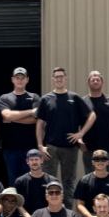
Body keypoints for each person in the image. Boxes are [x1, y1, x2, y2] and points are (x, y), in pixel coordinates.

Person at [35, 67, 95, 205]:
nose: (59, 79)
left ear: (66, 79)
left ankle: (67, 212)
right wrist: (40, 145)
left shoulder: (74, 97)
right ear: (52, 80)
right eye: (56, 77)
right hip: (50, 148)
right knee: (49, 181)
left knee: (68, 181)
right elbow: (39, 124)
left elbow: (92, 115)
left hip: (70, 147)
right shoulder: (46, 99)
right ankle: (49, 210)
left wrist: (81, 133)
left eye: (61, 76)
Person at [0, 67, 40, 184]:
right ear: (12, 79)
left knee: (31, 180)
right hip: (10, 147)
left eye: (22, 78)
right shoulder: (5, 98)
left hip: (30, 147)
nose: (20, 80)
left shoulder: (34, 97)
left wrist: (12, 118)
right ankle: (17, 203)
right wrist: (31, 111)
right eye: (17, 78)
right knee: (14, 182)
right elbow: (7, 115)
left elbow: (35, 120)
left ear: (27, 79)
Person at [81, 71, 109, 178]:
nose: (95, 81)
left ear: (102, 82)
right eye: (92, 80)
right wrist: (80, 142)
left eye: (98, 79)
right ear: (88, 83)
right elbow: (75, 124)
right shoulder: (82, 102)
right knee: (91, 181)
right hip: (89, 150)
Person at [74, 150, 109, 217]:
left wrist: (108, 216)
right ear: (93, 162)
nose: (100, 162)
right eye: (97, 159)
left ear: (108, 162)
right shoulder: (84, 181)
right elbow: (79, 204)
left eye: (103, 159)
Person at [14, 150, 52, 216]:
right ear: (27, 161)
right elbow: (17, 203)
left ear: (42, 160)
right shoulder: (20, 181)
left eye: (36, 159)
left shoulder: (51, 181)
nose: (34, 162)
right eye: (31, 160)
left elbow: (54, 202)